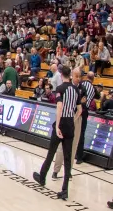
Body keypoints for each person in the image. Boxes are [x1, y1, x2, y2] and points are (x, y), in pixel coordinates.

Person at [33, 65, 80, 200]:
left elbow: (59, 107)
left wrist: (58, 125)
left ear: (60, 75)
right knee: (67, 157)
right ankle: (65, 190)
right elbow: (80, 110)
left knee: (51, 152)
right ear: (69, 75)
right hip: (70, 123)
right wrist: (72, 118)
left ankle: (42, 177)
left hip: (61, 123)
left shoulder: (60, 89)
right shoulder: (75, 90)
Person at [52, 67, 89, 180]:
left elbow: (83, 104)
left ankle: (68, 171)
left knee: (73, 146)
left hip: (76, 118)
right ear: (72, 75)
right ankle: (55, 170)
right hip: (65, 117)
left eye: (80, 76)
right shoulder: (66, 87)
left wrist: (75, 117)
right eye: (76, 76)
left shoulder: (82, 88)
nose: (78, 78)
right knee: (61, 147)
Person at [75, 72, 96, 165]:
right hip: (84, 111)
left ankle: (72, 152)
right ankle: (79, 157)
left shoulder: (81, 84)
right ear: (93, 79)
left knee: (73, 131)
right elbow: (98, 96)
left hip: (75, 109)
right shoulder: (93, 88)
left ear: (87, 77)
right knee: (81, 133)